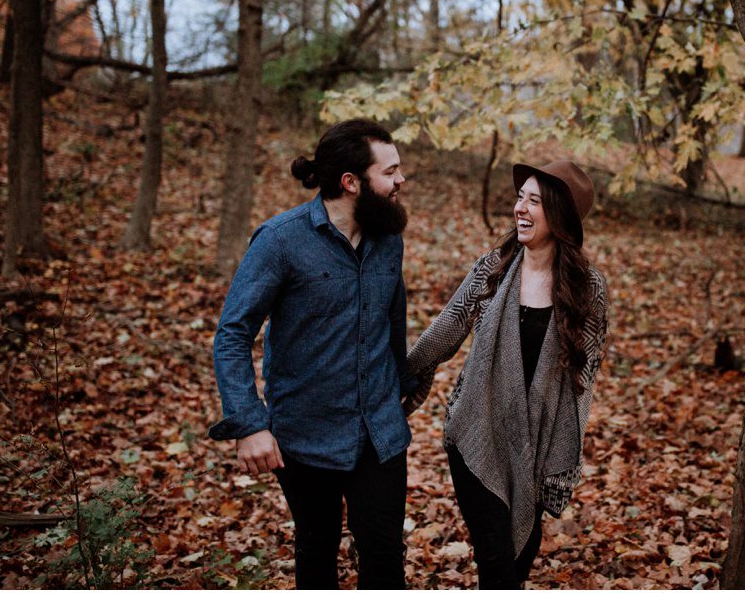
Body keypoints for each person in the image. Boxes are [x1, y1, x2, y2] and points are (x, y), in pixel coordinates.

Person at [208, 119, 415, 589]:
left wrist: (404, 385)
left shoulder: (389, 240)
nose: (401, 180)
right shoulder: (281, 240)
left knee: (385, 560)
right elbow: (233, 334)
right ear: (351, 182)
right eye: (390, 172)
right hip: (306, 434)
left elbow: (394, 319)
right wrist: (249, 424)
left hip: (380, 433)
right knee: (317, 554)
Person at [403, 160, 610, 589]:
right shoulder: (492, 269)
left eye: (534, 201)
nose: (520, 208)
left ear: (559, 215)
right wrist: (402, 375)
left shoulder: (587, 289)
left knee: (518, 564)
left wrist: (563, 458)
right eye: (520, 198)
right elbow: (447, 328)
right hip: (477, 435)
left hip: (536, 449)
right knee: (497, 564)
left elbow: (584, 378)